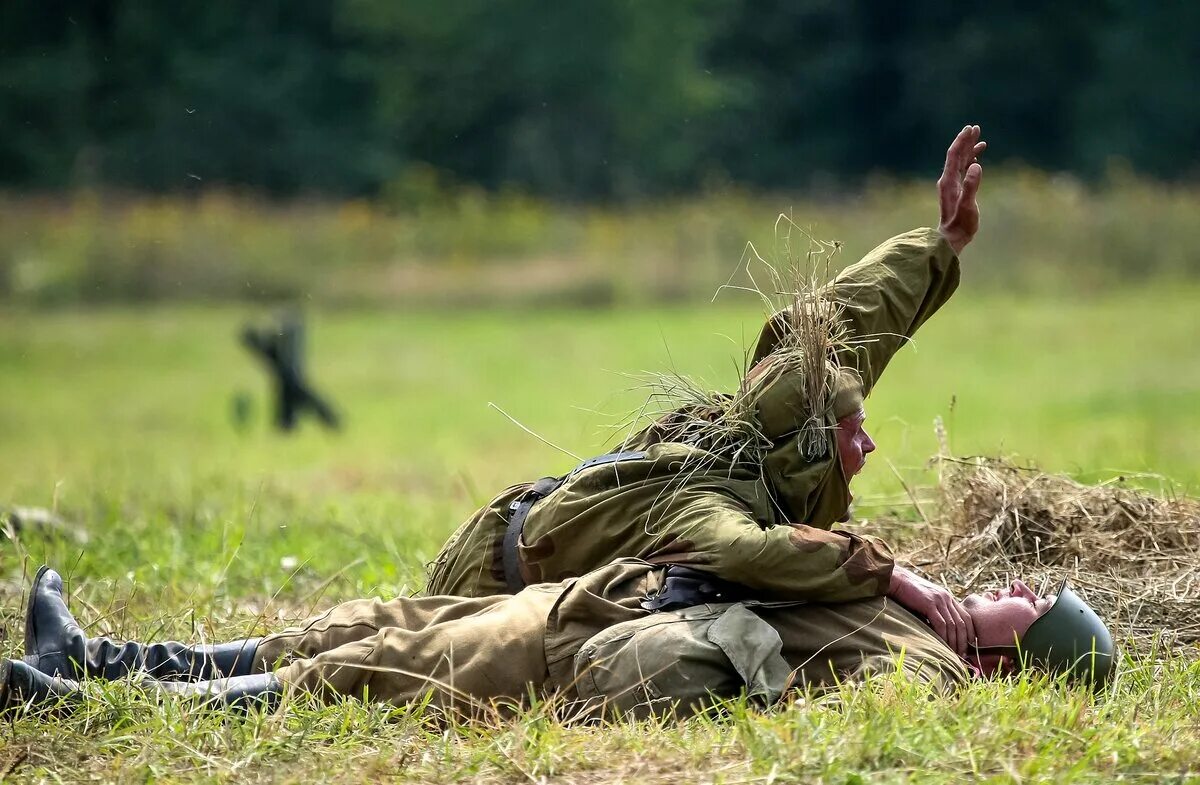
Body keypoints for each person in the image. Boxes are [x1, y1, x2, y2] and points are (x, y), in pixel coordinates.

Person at [424, 125, 987, 659]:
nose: (869, 446)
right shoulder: (712, 497)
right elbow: (745, 551)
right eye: (852, 432)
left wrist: (942, 242)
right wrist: (891, 575)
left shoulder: (780, 409)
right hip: (483, 582)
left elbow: (854, 313)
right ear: (808, 449)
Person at [1, 562, 1114, 716]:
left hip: (620, 646)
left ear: (1020, 653)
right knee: (375, 622)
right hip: (610, 598)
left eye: (1035, 597)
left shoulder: (927, 668)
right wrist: (910, 577)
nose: (1014, 582)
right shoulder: (925, 611)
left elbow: (805, 693)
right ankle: (99, 653)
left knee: (359, 674)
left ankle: (70, 699)